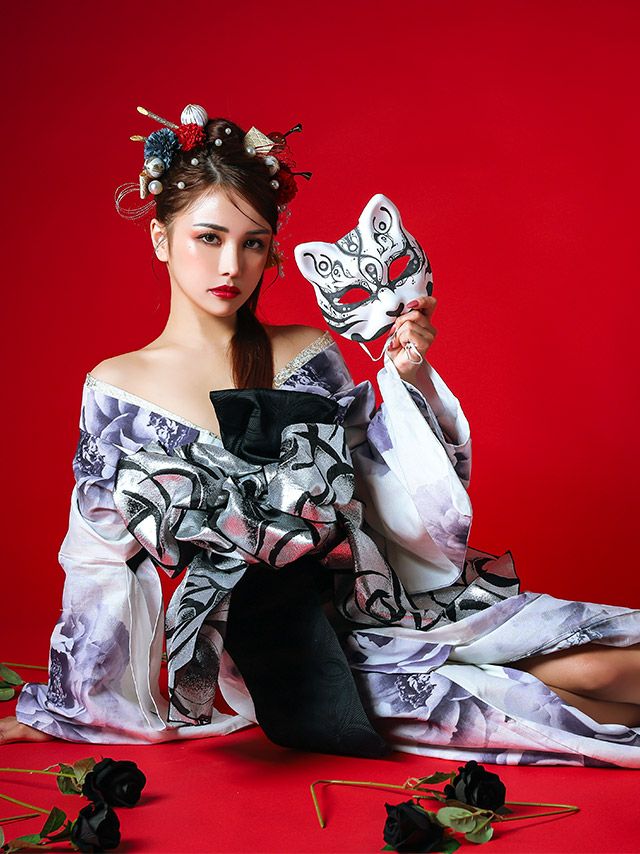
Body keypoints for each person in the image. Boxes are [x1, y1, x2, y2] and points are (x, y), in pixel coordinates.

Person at [2, 105, 639, 767]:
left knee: (598, 657)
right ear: (161, 238)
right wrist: (73, 703)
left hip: (388, 595)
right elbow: (100, 561)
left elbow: (383, 488)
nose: (231, 264)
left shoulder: (306, 351)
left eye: (253, 243)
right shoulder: (118, 388)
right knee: (545, 696)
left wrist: (407, 380)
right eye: (208, 238)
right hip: (289, 650)